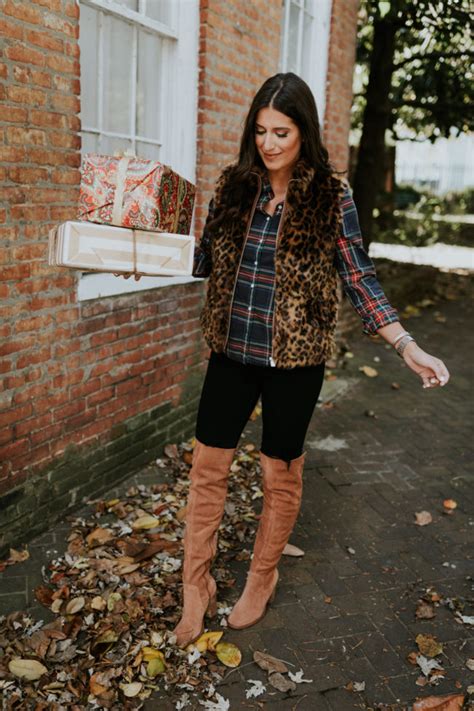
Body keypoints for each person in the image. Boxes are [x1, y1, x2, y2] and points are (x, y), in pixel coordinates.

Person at [117, 73, 450, 648]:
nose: (269, 143)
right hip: (232, 351)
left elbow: (358, 276)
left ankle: (260, 577)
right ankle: (196, 588)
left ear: (304, 134)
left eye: (282, 132)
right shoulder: (236, 187)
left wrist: (406, 345)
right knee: (207, 469)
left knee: (280, 472)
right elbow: (203, 261)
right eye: (261, 131)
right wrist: (143, 259)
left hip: (295, 361)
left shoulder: (330, 196)